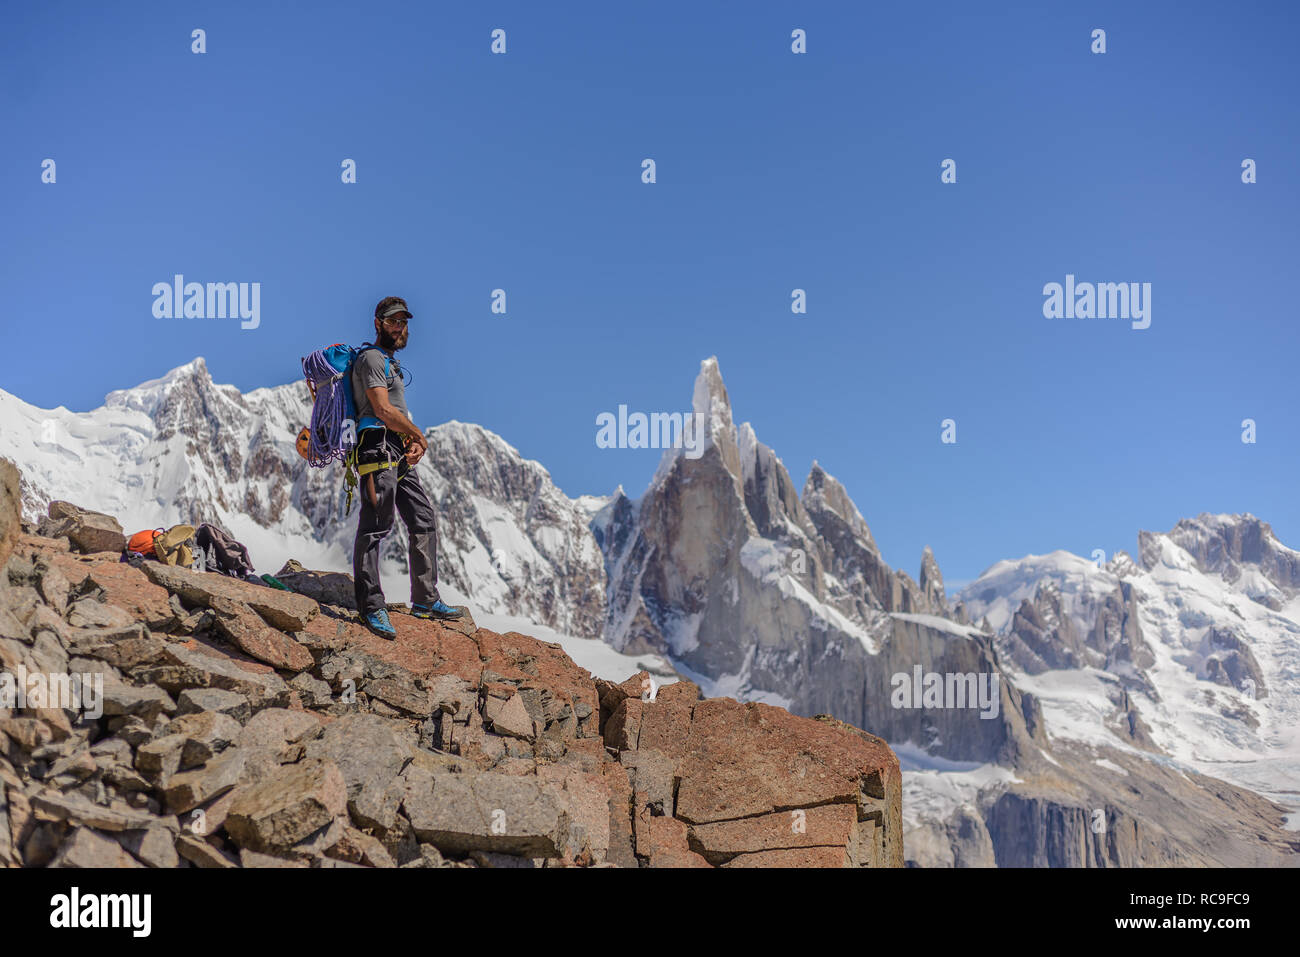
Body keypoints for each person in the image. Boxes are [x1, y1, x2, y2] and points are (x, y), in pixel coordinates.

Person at [351, 295, 464, 638]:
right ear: (378, 323)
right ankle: (371, 607)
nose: (399, 328)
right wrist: (418, 434)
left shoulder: (389, 363)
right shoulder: (371, 358)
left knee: (423, 518)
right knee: (376, 525)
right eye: (392, 322)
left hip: (396, 451)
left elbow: (393, 414)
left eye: (403, 322)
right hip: (375, 448)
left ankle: (425, 600)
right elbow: (383, 410)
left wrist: (410, 441)